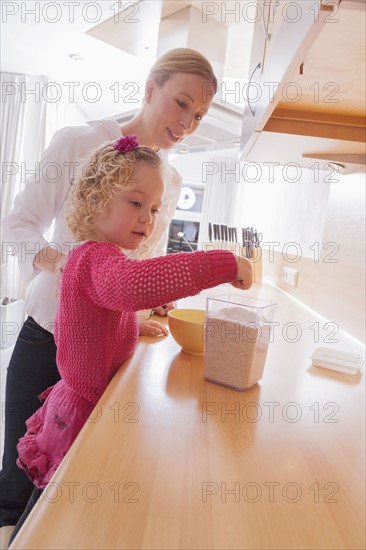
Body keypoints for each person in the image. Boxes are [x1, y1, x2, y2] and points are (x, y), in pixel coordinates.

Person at [0, 47, 217, 546]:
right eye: (181, 103)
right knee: (19, 470)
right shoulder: (78, 141)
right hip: (46, 334)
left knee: (73, 477)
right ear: (150, 88)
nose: (187, 123)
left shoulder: (171, 179)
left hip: (105, 355)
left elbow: (139, 267)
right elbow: (17, 225)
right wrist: (71, 268)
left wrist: (134, 315)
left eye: (199, 115)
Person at [9, 136, 252, 544]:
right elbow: (131, 286)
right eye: (135, 203)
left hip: (85, 402)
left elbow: (93, 314)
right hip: (80, 411)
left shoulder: (99, 255)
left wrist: (130, 324)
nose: (148, 218)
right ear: (95, 200)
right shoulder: (95, 257)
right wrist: (223, 263)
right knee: (49, 517)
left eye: (155, 209)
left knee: (58, 507)